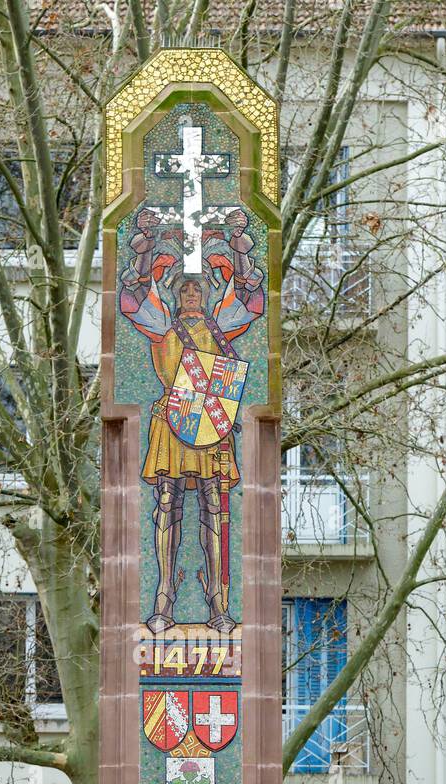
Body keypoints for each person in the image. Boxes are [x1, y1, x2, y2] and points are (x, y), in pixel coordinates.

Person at [120, 205, 265, 632]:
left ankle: (218, 604)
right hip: (173, 419)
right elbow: (131, 300)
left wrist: (239, 244)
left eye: (197, 291)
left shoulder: (220, 324)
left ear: (205, 294)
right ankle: (163, 600)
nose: (191, 297)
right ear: (175, 294)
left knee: (214, 507)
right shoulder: (163, 324)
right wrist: (144, 247)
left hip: (210, 422)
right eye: (185, 291)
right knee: (166, 506)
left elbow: (252, 300)